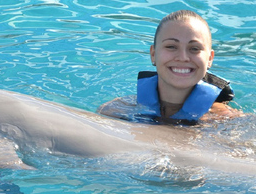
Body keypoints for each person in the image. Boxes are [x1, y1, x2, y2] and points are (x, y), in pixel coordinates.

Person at [97, 10, 243, 124]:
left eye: (194, 49)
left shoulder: (224, 120)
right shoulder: (116, 110)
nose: (183, 57)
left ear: (210, 59)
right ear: (153, 54)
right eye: (171, 46)